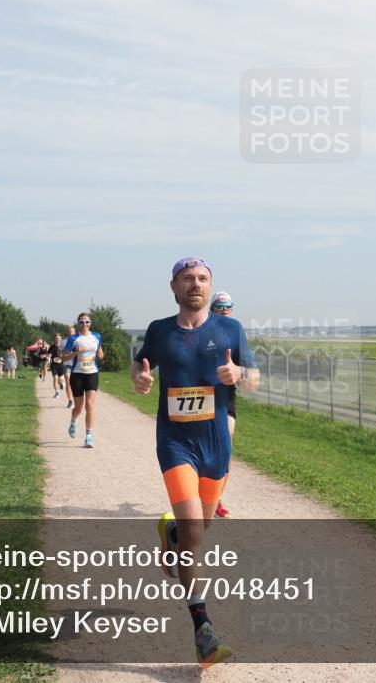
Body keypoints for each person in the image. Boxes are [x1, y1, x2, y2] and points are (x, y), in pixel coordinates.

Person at [131, 257, 259, 669]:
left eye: (202, 278)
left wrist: (238, 375)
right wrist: (140, 379)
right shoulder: (159, 330)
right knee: (195, 532)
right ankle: (203, 629)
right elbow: (139, 363)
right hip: (175, 443)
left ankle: (170, 534)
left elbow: (254, 378)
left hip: (216, 444)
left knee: (198, 529)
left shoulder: (230, 329)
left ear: (210, 285)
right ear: (174, 286)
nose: (195, 284)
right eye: (187, 278)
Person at [209, 292, 242, 519]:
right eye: (219, 306)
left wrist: (239, 371)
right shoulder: (201, 330)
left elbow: (247, 367)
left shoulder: (236, 334)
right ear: (212, 309)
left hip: (225, 398)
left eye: (228, 306)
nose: (224, 309)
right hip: (200, 396)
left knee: (225, 446)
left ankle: (216, 498)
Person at [62, 313, 103, 448]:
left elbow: (100, 353)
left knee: (90, 404)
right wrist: (75, 352)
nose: (85, 324)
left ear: (90, 323)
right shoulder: (74, 338)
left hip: (92, 373)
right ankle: (73, 421)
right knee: (79, 408)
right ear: (78, 323)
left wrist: (100, 354)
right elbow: (63, 358)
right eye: (82, 322)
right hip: (77, 375)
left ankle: (88, 436)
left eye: (87, 322)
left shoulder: (96, 336)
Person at [61, 325, 76, 408]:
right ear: (67, 332)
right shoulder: (63, 342)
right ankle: (70, 401)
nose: (71, 333)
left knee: (76, 383)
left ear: (75, 332)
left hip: (77, 365)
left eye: (72, 331)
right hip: (67, 364)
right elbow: (61, 353)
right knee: (68, 379)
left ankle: (77, 399)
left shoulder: (78, 340)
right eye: (69, 331)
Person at [49, 333, 66, 398]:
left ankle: (61, 383)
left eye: (59, 338)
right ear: (55, 339)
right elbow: (48, 354)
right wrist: (48, 356)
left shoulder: (63, 346)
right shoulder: (52, 347)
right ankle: (56, 393)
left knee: (60, 379)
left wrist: (63, 356)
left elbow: (66, 353)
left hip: (61, 365)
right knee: (55, 379)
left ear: (61, 339)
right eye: (56, 338)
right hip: (54, 365)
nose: (58, 339)